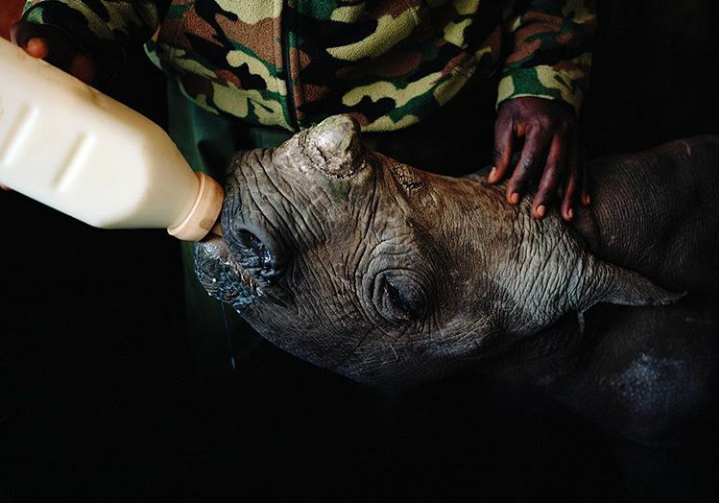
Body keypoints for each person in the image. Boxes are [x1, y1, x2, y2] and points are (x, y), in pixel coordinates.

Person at [10, 0, 596, 374]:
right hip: (220, 104)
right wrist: (66, 28)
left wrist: (540, 75)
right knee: (235, 307)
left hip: (414, 109)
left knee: (414, 320)